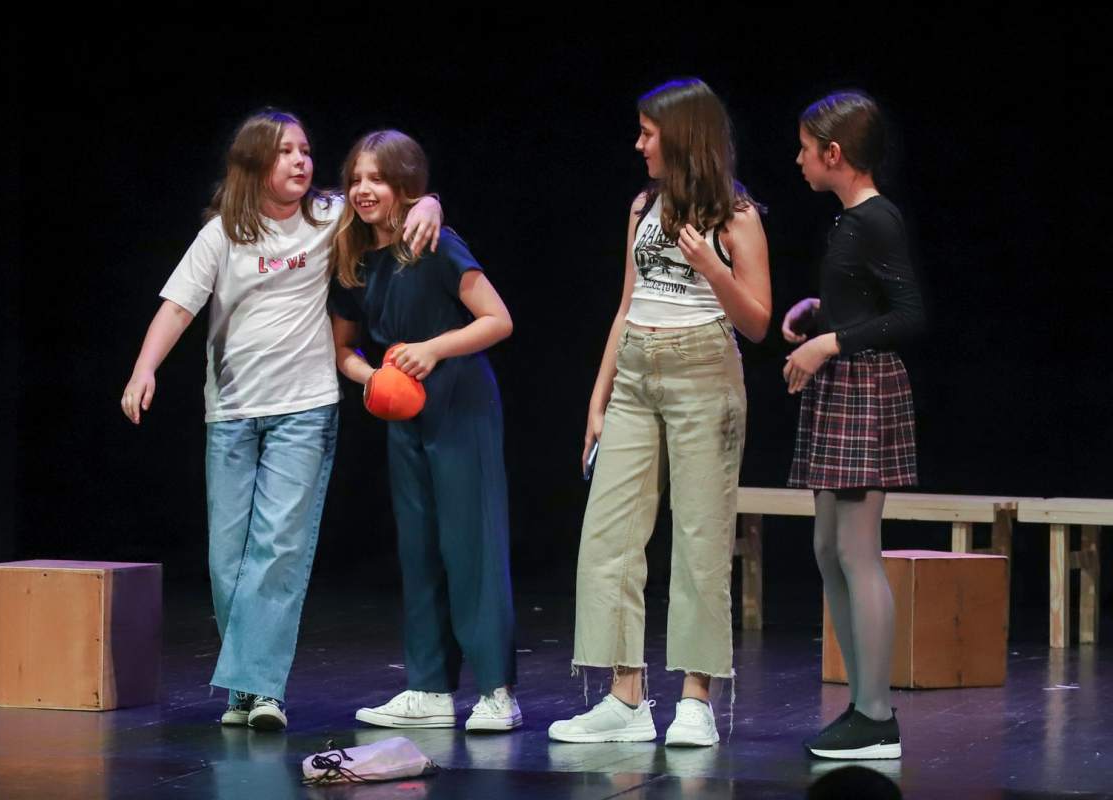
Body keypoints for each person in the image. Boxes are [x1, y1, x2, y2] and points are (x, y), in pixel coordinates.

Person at [120, 109, 442, 731]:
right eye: (285, 151)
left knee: (278, 551)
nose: (301, 161)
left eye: (305, 150)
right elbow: (178, 306)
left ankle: (263, 691)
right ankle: (245, 689)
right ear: (254, 163)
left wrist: (429, 201)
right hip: (233, 411)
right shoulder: (222, 234)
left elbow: (385, 207)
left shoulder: (327, 216)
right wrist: (144, 369)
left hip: (305, 409)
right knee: (228, 559)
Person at [548, 79, 771, 746]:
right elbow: (627, 303)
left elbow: (758, 321)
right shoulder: (643, 205)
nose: (639, 144)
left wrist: (712, 267)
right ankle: (626, 699)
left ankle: (696, 700)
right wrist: (599, 396)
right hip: (636, 375)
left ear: (681, 136)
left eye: (648, 133)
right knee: (608, 536)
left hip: (704, 372)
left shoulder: (736, 215)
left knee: (701, 538)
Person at [328, 130, 520, 732]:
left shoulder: (434, 243)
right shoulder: (355, 259)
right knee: (419, 547)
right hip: (401, 407)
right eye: (356, 179)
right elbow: (343, 349)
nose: (363, 190)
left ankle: (497, 692)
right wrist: (373, 379)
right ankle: (430, 689)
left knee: (471, 544)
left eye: (377, 179)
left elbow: (497, 320)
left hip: (458, 398)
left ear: (405, 185)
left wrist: (433, 349)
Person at [783, 91, 925, 759]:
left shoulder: (877, 219)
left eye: (806, 149)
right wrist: (819, 312)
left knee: (856, 551)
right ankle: (861, 702)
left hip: (864, 388)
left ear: (834, 154)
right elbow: (866, 299)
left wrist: (829, 343)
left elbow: (908, 314)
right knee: (826, 548)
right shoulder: (850, 221)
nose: (799, 159)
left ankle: (876, 714)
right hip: (841, 384)